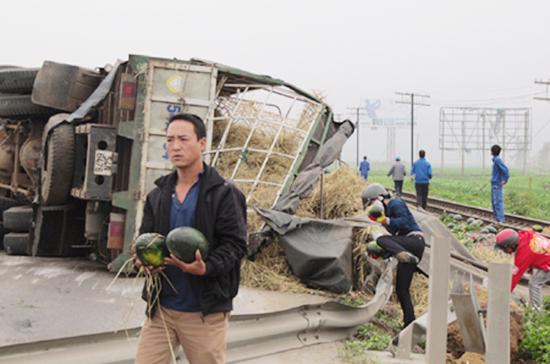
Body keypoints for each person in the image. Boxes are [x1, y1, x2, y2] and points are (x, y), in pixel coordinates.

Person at [134, 113, 248, 364]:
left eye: (183, 139)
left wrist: (206, 267)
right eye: (170, 140)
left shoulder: (224, 194)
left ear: (202, 143)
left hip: (204, 313)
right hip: (161, 310)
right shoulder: (158, 195)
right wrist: (142, 262)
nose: (175, 146)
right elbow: (146, 238)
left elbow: (236, 245)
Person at [362, 183, 426, 328]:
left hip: (414, 241)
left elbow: (403, 222)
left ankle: (400, 254)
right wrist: (380, 253)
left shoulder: (396, 203)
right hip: (409, 250)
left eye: (372, 204)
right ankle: (409, 325)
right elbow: (395, 237)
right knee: (402, 289)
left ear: (379, 198)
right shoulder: (387, 213)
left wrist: (386, 221)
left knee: (381, 239)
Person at [494, 228, 550, 311]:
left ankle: (536, 312)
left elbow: (515, 277)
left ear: (512, 245)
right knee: (535, 279)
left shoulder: (522, 255)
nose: (505, 251)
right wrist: (531, 266)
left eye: (504, 249)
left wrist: (503, 295)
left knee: (534, 284)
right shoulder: (524, 235)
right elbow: (534, 252)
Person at [490, 144, 509, 223]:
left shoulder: (497, 160)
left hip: (497, 184)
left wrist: (505, 179)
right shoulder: (495, 160)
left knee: (497, 202)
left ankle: (501, 220)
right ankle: (497, 219)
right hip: (494, 184)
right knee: (494, 203)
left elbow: (505, 170)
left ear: (492, 151)